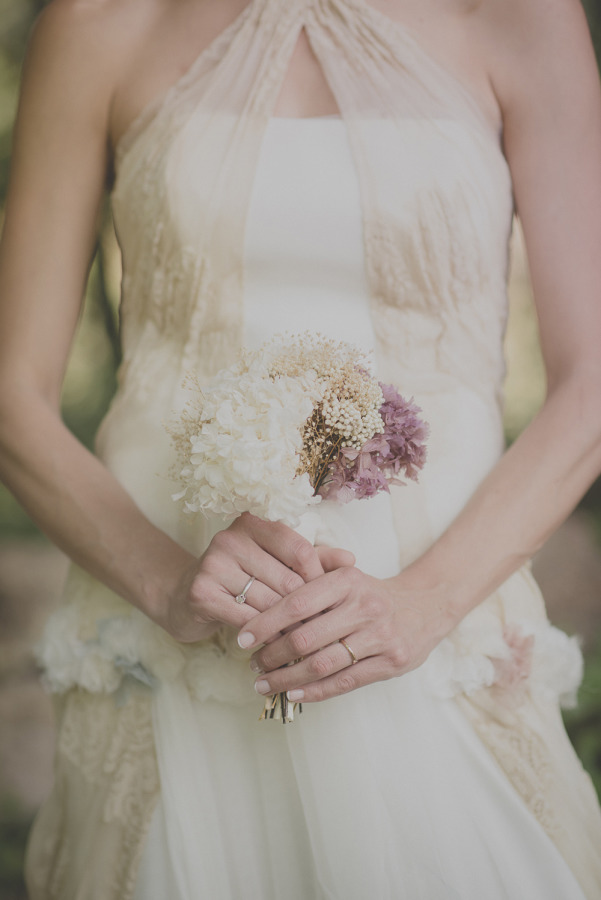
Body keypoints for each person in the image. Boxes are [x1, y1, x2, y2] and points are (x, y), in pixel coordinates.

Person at [1, 0, 601, 896]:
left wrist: (421, 607)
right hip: (168, 616)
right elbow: (13, 395)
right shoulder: (98, 21)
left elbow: (591, 384)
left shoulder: (523, 18)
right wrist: (167, 581)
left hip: (440, 612)